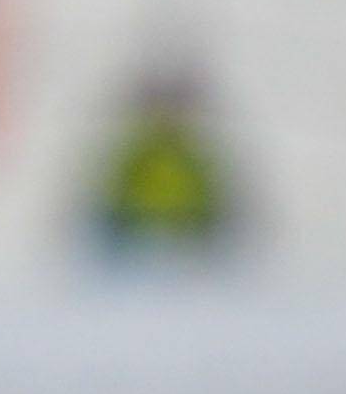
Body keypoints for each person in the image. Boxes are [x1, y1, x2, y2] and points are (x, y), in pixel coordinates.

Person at [83, 48, 251, 262]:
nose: (165, 118)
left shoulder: (192, 154)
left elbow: (215, 203)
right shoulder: (138, 153)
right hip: (137, 248)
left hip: (188, 249)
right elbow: (112, 201)